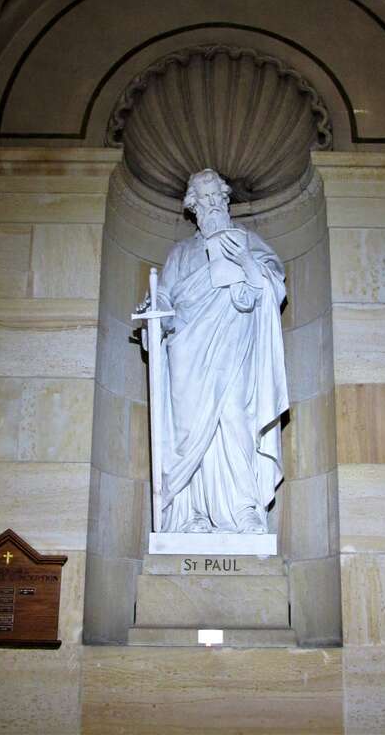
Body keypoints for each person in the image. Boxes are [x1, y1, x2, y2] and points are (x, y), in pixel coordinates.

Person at [154, 168, 289, 534]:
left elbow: (272, 290)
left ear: (226, 200)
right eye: (205, 199)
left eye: (218, 198)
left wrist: (245, 260)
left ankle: (244, 509)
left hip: (235, 351)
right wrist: (156, 318)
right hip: (188, 357)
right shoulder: (181, 254)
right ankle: (192, 514)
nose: (213, 205)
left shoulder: (249, 242)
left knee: (234, 420)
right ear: (193, 207)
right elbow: (164, 299)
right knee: (190, 433)